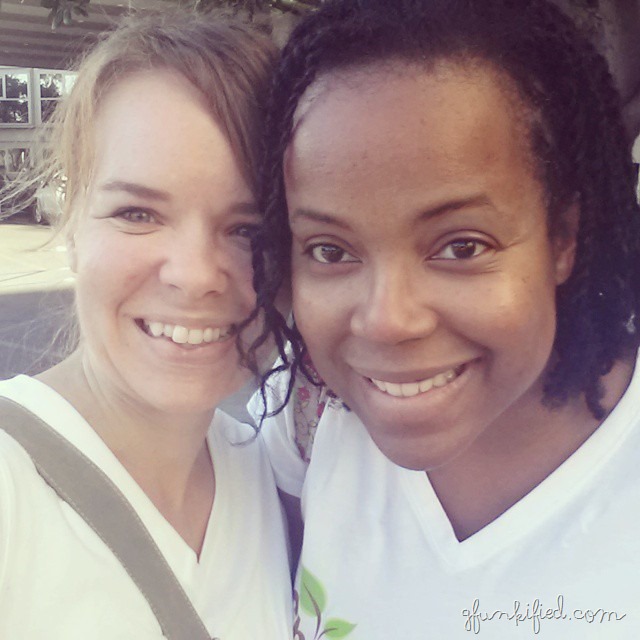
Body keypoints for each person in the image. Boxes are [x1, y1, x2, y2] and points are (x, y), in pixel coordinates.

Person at [246, 0, 640, 638]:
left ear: (562, 238)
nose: (387, 321)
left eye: (461, 246)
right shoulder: (308, 417)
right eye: (331, 250)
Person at [0, 12, 293, 640]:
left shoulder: (263, 474)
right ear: (73, 226)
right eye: (137, 213)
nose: (195, 275)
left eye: (249, 229)